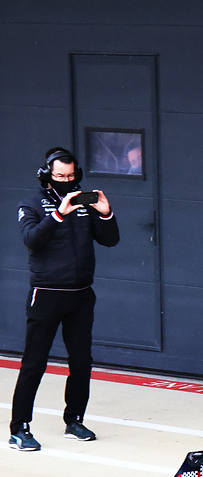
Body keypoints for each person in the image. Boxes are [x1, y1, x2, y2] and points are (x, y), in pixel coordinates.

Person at [9, 148, 119, 451]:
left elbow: (110, 239)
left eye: (70, 176)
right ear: (47, 176)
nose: (65, 181)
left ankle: (74, 420)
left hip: (81, 295)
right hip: (46, 294)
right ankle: (19, 428)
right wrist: (59, 214)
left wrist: (105, 213)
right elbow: (32, 239)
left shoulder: (84, 205)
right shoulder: (31, 204)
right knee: (34, 362)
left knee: (82, 361)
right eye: (59, 176)